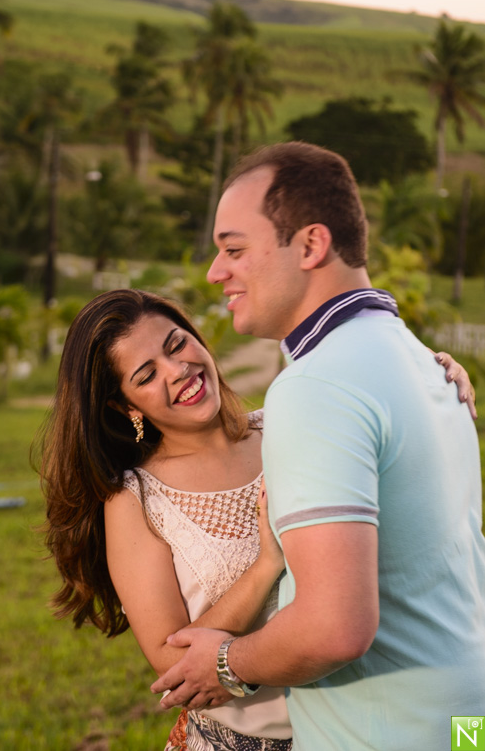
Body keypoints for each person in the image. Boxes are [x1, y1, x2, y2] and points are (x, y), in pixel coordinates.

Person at [34, 285, 474, 751]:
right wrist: (267, 564)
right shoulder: (135, 500)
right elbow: (174, 664)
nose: (177, 370)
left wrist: (431, 382)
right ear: (125, 407)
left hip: (374, 724)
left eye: (177, 344)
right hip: (240, 742)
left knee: (473, 740)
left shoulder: (294, 424)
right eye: (147, 375)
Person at [151, 142, 485, 751]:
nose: (215, 272)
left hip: (391, 732)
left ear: (310, 245)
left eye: (234, 249)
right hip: (465, 720)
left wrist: (226, 664)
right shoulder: (423, 362)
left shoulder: (316, 386)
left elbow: (337, 627)